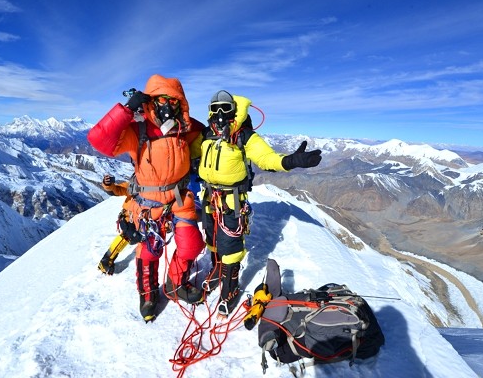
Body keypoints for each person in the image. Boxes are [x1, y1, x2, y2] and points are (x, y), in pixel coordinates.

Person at [87, 74, 206, 322]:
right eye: (162, 99)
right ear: (152, 100)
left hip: (180, 197)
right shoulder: (137, 130)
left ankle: (176, 283)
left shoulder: (185, 128)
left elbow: (209, 133)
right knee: (150, 251)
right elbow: (99, 140)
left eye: (174, 101)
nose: (168, 106)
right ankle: (148, 294)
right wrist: (126, 110)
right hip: (148, 203)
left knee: (192, 244)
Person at [198, 90, 322, 316]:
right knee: (212, 237)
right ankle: (217, 270)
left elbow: (267, 158)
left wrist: (291, 160)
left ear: (234, 111)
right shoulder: (207, 136)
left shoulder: (245, 137)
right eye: (214, 109)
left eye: (225, 109)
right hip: (208, 197)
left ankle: (229, 291)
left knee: (231, 247)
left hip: (231, 200)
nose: (219, 114)